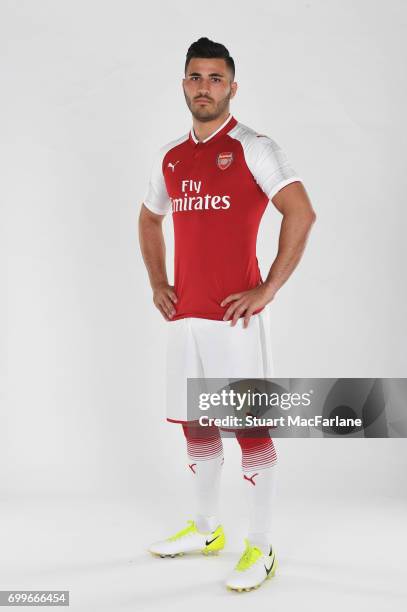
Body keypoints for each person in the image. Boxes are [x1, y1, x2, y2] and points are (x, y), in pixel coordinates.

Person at [138, 36, 316, 592]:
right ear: (184, 84)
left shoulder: (254, 147)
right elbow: (149, 220)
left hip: (235, 324)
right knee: (196, 426)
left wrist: (266, 288)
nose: (205, 87)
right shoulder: (171, 155)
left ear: (232, 87)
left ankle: (260, 547)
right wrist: (158, 282)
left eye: (216, 78)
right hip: (186, 320)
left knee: (251, 429)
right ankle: (206, 529)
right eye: (196, 77)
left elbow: (301, 213)